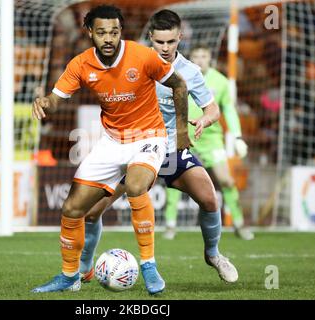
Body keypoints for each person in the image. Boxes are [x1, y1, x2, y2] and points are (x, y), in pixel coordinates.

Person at [31, 5, 191, 295]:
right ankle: (70, 277)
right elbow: (57, 97)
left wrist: (180, 131)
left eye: (114, 32)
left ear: (121, 32)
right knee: (72, 209)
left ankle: (149, 265)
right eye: (102, 32)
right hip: (112, 141)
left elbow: (179, 85)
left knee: (135, 185)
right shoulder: (81, 64)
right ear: (89, 32)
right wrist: (45, 102)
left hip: (149, 136)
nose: (108, 38)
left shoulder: (143, 56)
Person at [79, 9, 238, 288]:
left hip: (171, 148)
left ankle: (213, 254)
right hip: (133, 146)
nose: (165, 49)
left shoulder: (190, 71)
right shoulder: (133, 62)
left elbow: (212, 109)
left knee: (210, 198)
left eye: (171, 42)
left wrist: (204, 119)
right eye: (159, 42)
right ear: (149, 37)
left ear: (180, 38)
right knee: (92, 211)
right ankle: (84, 267)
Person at [164, 45, 254, 241]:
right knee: (176, 181)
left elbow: (228, 110)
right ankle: (170, 225)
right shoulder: (179, 75)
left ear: (210, 58)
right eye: (196, 55)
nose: (200, 59)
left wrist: (237, 136)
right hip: (184, 136)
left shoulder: (221, 81)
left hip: (212, 140)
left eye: (204, 55)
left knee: (226, 180)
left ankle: (239, 223)